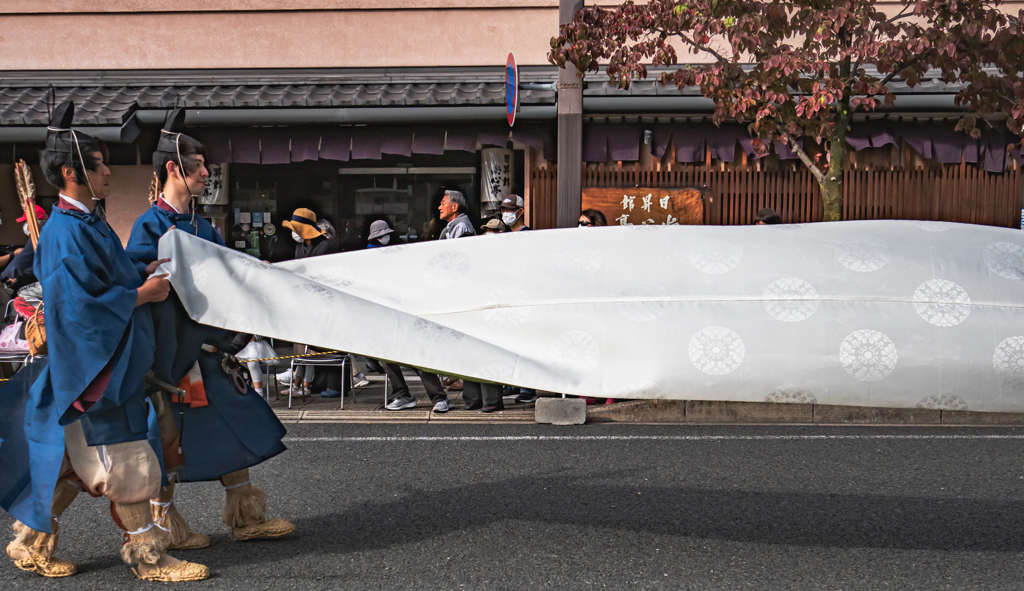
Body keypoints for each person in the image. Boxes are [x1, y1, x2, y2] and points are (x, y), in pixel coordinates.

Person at [0, 101, 209, 582]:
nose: (109, 171)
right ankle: (149, 558)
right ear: (75, 172)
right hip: (95, 371)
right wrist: (140, 294)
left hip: (90, 367)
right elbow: (77, 306)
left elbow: (102, 279)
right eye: (100, 164)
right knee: (130, 461)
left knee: (70, 468)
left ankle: (29, 544)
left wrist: (139, 271)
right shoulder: (67, 230)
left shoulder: (83, 222)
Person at [125, 107, 294, 553]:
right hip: (172, 353)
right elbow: (141, 286)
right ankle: (165, 527)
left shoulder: (204, 225)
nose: (205, 172)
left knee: (236, 420)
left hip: (209, 348)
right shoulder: (148, 226)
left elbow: (228, 279)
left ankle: (245, 515)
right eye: (198, 166)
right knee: (166, 438)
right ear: (172, 169)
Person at [366, 220, 454, 413]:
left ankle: (439, 397)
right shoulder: (367, 257)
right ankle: (403, 394)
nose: (384, 238)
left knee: (416, 356)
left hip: (405, 314)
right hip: (385, 315)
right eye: (380, 236)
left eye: (385, 234)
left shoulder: (400, 255)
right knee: (387, 358)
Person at [435, 195, 503, 412]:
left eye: (442, 203)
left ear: (454, 207)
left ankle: (488, 399)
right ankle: (473, 398)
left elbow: (459, 262)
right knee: (469, 348)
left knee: (481, 348)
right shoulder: (453, 227)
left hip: (472, 296)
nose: (439, 207)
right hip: (464, 295)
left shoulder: (462, 227)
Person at [282, 208, 338, 396]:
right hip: (305, 301)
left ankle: (331, 385)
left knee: (323, 344)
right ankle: (304, 383)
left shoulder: (325, 246)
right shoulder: (301, 246)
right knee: (303, 342)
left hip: (322, 301)